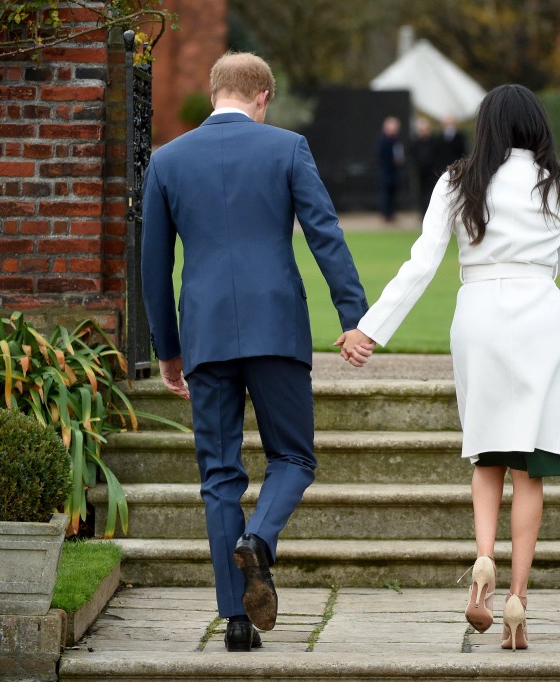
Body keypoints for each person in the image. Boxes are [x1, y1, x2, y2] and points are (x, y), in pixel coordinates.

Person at [141, 52, 372, 653]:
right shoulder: (287, 148)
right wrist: (353, 316)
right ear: (263, 97)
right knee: (293, 458)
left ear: (215, 92)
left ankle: (236, 622)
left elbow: (153, 268)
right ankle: (261, 541)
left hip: (206, 336)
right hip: (276, 329)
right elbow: (326, 233)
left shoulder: (166, 160)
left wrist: (168, 349)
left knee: (219, 474)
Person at [340, 84, 560, 652]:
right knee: (531, 467)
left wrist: (369, 329)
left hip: (478, 316)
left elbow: (421, 263)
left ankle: (481, 562)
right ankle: (518, 598)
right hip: (541, 313)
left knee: (487, 453)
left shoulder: (457, 180)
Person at [409, 117, 441, 217]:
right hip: (420, 172)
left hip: (433, 172)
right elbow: (411, 156)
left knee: (433, 193)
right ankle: (423, 213)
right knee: (421, 194)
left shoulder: (435, 141)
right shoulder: (415, 142)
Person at [375, 115, 404, 222]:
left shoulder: (396, 140)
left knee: (393, 192)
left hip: (394, 172)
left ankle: (392, 213)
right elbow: (381, 155)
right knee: (386, 193)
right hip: (386, 171)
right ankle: (386, 214)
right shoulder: (382, 139)